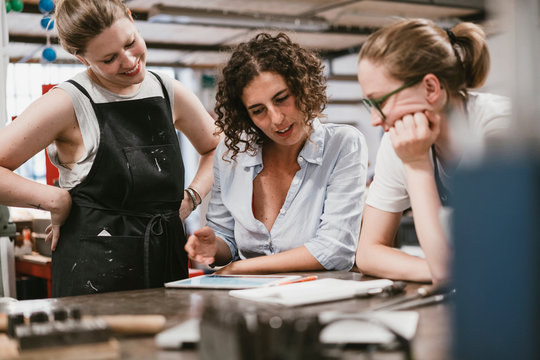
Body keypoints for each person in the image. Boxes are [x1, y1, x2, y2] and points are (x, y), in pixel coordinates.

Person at [0, 0, 219, 296]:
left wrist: (191, 198)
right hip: (93, 274)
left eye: (131, 43)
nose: (129, 61)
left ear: (131, 18)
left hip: (166, 263)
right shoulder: (67, 103)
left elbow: (216, 148)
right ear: (81, 58)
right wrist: (54, 199)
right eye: (109, 59)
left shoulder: (168, 91)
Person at [184, 33, 368, 274]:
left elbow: (334, 249)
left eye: (282, 99)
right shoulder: (230, 155)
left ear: (302, 86)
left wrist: (239, 268)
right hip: (250, 304)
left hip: (320, 303)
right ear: (245, 115)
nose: (276, 119)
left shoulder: (343, 145)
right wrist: (213, 247)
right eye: (258, 110)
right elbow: (226, 240)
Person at [355, 19, 511, 284]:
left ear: (430, 88)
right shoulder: (398, 142)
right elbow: (368, 252)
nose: (374, 120)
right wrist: (447, 270)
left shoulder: (501, 129)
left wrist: (416, 165)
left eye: (380, 102)